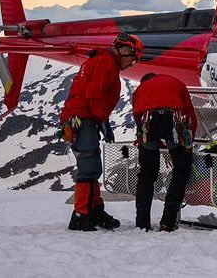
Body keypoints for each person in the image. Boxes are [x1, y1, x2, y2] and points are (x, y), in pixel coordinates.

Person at [60, 32, 143, 231]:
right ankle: (81, 214)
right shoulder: (105, 64)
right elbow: (94, 95)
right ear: (124, 51)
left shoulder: (101, 61)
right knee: (89, 168)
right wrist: (102, 119)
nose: (131, 64)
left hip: (81, 119)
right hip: (83, 120)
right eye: (132, 59)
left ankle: (94, 209)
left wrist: (101, 120)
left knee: (92, 166)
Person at [132, 71, 198, 232]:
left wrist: (144, 139)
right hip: (173, 121)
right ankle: (167, 222)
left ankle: (142, 223)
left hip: (148, 122)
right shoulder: (175, 81)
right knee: (181, 170)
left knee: (147, 173)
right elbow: (189, 112)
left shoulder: (140, 89)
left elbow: (137, 115)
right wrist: (187, 144)